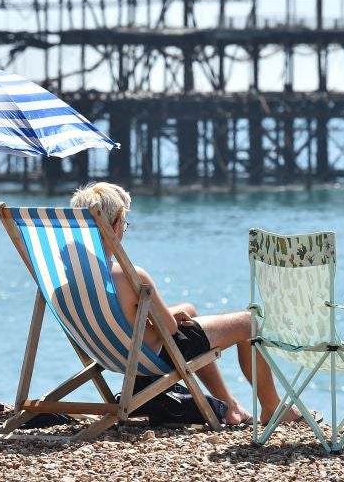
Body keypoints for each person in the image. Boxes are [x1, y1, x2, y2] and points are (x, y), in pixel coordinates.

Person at [69, 182, 308, 426]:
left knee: (189, 310)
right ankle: (272, 407)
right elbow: (170, 329)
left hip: (112, 354)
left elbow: (121, 314)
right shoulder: (130, 276)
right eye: (125, 224)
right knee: (247, 323)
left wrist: (169, 315)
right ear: (117, 225)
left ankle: (230, 406)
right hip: (151, 357)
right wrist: (169, 318)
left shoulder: (70, 277)